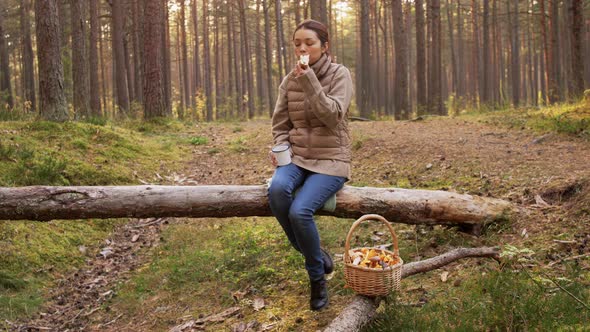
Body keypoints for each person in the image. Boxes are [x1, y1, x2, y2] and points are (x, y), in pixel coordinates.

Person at [267, 19, 353, 311]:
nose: (302, 48)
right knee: (277, 190)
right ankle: (314, 253)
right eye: (297, 44)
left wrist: (310, 80)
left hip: (331, 160)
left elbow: (332, 116)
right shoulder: (289, 80)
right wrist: (281, 147)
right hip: (298, 157)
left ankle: (316, 277)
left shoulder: (340, 75)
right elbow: (280, 123)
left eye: (309, 43)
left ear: (325, 46)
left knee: (300, 210)